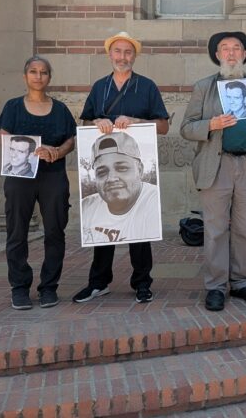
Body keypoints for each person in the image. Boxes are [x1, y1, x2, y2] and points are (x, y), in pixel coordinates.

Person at [180, 31, 246, 312]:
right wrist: (211, 125)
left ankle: (242, 282)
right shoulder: (204, 87)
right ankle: (215, 286)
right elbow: (186, 128)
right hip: (217, 163)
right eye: (225, 49)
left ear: (245, 54)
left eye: (237, 48)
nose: (231, 53)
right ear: (217, 55)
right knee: (214, 230)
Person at [73, 31, 170, 304]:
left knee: (140, 229)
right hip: (105, 172)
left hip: (130, 173)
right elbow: (83, 126)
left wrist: (137, 120)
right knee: (103, 226)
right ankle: (98, 283)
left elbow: (163, 126)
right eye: (117, 52)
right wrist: (95, 124)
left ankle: (142, 283)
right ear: (109, 55)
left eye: (128, 52)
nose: (122, 57)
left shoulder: (147, 86)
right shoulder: (99, 87)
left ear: (134, 56)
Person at [0, 55, 77, 310]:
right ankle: (19, 288)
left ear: (49, 78)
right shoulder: (12, 107)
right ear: (25, 76)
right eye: (33, 71)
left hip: (53, 176)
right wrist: (28, 151)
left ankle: (49, 287)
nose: (38, 76)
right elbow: (5, 136)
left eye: (43, 72)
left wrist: (57, 152)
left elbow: (70, 140)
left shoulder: (61, 109)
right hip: (20, 177)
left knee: (55, 231)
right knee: (17, 231)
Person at [81, 131, 161, 244]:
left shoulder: (154, 203)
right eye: (102, 172)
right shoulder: (86, 208)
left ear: (140, 170)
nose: (111, 178)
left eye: (122, 168)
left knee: (140, 254)